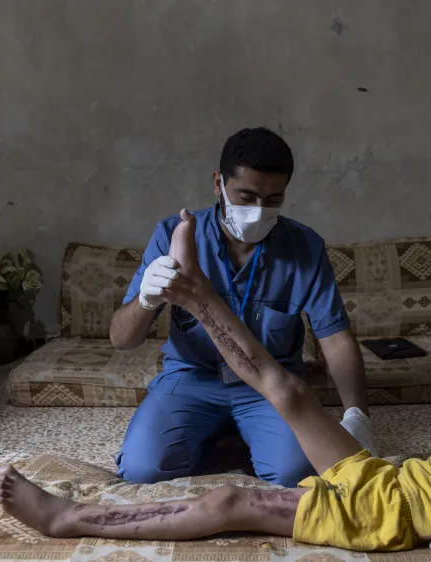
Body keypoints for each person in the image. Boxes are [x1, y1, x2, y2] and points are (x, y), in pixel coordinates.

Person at [0, 210, 431, 560]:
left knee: (233, 500)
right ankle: (192, 295)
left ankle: (67, 517)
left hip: (383, 513)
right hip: (392, 478)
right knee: (289, 390)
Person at [110, 127, 374, 487]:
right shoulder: (174, 234)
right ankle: (233, 445)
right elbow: (121, 339)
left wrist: (357, 414)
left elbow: (336, 337)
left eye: (273, 200)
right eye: (246, 196)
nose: (258, 211)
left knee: (295, 474)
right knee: (142, 470)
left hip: (272, 382)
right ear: (218, 183)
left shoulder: (305, 246)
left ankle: (245, 441)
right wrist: (146, 298)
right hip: (191, 376)